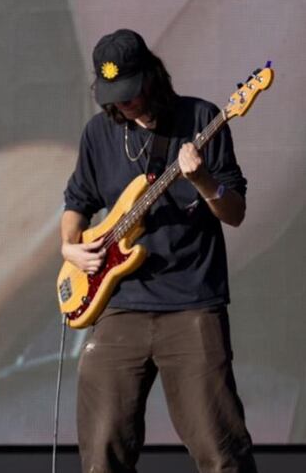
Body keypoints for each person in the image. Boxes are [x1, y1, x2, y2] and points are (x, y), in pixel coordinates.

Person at [60, 29, 255, 472]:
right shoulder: (100, 133)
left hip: (191, 306)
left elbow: (235, 211)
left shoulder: (203, 120)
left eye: (130, 91)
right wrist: (70, 249)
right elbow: (77, 204)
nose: (124, 103)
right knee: (102, 448)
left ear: (152, 75)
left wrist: (203, 180)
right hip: (119, 306)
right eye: (114, 95)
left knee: (221, 449)